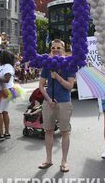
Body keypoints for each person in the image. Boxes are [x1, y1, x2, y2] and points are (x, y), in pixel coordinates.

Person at [38, 39, 75, 173]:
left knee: (65, 132)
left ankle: (64, 161)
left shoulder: (69, 65)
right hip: (49, 103)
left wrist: (57, 77)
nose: (55, 49)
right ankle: (48, 160)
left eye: (58, 47)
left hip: (64, 102)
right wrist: (48, 100)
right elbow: (41, 85)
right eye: (53, 47)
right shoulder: (47, 65)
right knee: (48, 131)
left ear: (64, 50)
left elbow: (70, 86)